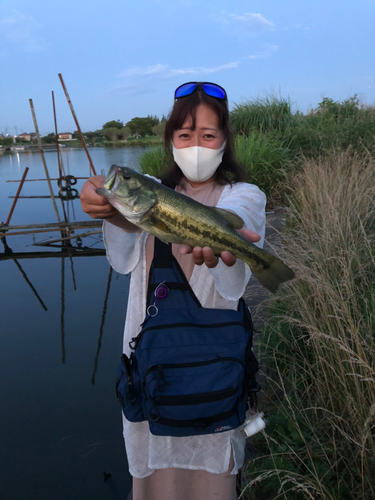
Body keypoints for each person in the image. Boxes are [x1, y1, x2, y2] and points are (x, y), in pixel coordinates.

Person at [80, 82, 266, 500]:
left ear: (224, 141)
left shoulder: (244, 195)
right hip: (153, 366)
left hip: (214, 370)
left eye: (208, 135)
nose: (195, 145)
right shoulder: (149, 190)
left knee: (211, 481)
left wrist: (222, 237)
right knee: (152, 479)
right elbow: (130, 219)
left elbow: (239, 217)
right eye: (185, 135)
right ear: (170, 141)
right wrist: (102, 200)